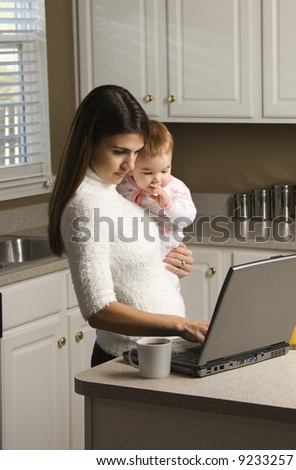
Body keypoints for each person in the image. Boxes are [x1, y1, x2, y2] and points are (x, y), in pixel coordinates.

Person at [48, 85, 209, 367]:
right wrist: (181, 325)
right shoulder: (86, 205)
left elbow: (129, 267)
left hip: (157, 352)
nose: (129, 165)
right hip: (126, 359)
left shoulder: (114, 191)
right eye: (119, 151)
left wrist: (170, 261)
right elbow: (98, 309)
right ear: (88, 143)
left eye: (136, 152)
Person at [117, 120, 196, 288]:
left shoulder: (176, 189)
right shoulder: (122, 184)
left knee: (165, 298)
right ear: (131, 167)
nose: (157, 179)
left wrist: (168, 203)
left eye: (165, 170)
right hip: (132, 258)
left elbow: (186, 218)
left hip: (166, 258)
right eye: (147, 172)